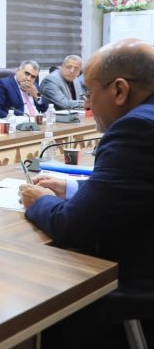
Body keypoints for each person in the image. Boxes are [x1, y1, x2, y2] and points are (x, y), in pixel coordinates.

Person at [20, 39, 154, 345]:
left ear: (119, 90)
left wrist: (41, 202)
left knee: (42, 287)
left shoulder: (136, 130)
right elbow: (134, 187)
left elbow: (72, 226)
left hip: (132, 288)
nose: (86, 105)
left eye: (90, 93)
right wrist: (71, 187)